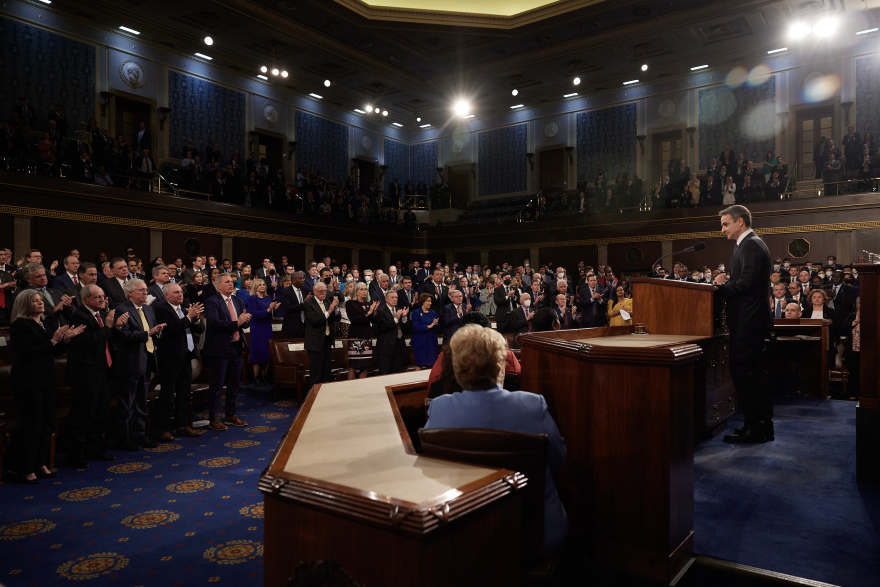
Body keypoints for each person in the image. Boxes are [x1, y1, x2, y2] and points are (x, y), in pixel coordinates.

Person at [425, 324, 568, 556]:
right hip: (534, 531)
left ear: (458, 368)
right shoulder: (533, 405)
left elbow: (434, 474)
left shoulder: (439, 409)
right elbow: (559, 461)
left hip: (465, 534)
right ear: (500, 365)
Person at [9, 290, 84, 482]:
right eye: (35, 301)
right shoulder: (20, 325)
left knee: (47, 422)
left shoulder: (44, 323)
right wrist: (54, 340)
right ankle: (26, 469)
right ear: (25, 305)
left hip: (47, 379)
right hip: (28, 381)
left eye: (41, 300)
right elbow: (27, 353)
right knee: (32, 425)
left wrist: (66, 339)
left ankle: (41, 463)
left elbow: (53, 351)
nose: (41, 303)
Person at [714, 205, 774, 443]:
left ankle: (755, 426)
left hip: (749, 320)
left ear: (740, 222)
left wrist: (722, 286)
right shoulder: (749, 244)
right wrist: (729, 282)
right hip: (751, 318)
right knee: (755, 371)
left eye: (725, 224)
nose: (722, 229)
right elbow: (748, 280)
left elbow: (748, 283)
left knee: (743, 370)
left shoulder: (750, 244)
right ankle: (760, 426)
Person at [63, 284, 126, 468]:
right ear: (86, 300)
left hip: (101, 372)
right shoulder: (79, 315)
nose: (102, 300)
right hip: (85, 375)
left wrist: (115, 328)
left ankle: (95, 450)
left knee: (100, 415)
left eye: (103, 296)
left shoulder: (99, 315)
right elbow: (88, 341)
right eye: (97, 297)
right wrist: (108, 326)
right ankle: (75, 455)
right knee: (82, 416)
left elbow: (105, 338)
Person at [113, 278, 165, 450]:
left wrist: (156, 333)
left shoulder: (149, 309)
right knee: (127, 403)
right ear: (130, 293)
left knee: (142, 401)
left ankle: (140, 434)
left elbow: (151, 332)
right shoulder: (122, 309)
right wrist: (147, 333)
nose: (146, 293)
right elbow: (123, 336)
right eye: (141, 290)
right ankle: (124, 438)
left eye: (146, 290)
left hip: (147, 360)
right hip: (130, 362)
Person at [152, 284, 205, 441]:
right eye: (176, 292)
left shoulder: (183, 308)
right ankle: (163, 429)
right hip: (170, 358)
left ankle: (182, 426)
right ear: (166, 295)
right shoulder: (161, 308)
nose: (180, 294)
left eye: (181, 292)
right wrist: (189, 317)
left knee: (184, 394)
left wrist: (195, 319)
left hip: (186, 356)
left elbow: (200, 329)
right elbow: (173, 329)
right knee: (167, 395)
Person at [203, 274, 251, 431]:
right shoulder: (212, 301)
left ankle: (231, 414)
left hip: (236, 347)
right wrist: (237, 322)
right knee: (217, 385)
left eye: (232, 282)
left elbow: (242, 324)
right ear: (218, 286)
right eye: (227, 282)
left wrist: (245, 320)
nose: (231, 284)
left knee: (234, 384)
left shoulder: (238, 300)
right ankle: (213, 418)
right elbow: (214, 323)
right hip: (220, 348)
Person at [304, 281, 341, 386]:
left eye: (325, 291)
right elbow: (314, 321)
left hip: (327, 340)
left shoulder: (327, 302)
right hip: (315, 342)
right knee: (316, 372)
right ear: (315, 292)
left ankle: (325, 395)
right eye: (321, 292)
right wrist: (329, 311)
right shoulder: (308, 304)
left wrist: (336, 307)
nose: (324, 293)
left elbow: (337, 317)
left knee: (326, 371)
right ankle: (314, 395)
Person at [246, 277, 280, 386]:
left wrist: (274, 310)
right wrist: (268, 310)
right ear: (255, 286)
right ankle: (256, 377)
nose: (262, 286)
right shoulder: (252, 298)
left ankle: (263, 376)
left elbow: (269, 315)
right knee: (258, 353)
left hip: (267, 327)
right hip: (257, 328)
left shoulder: (268, 298)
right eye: (260, 284)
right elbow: (254, 314)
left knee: (267, 353)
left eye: (264, 284)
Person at [345, 282, 379, 379]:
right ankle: (351, 389)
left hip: (367, 337)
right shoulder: (350, 303)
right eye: (362, 289)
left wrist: (375, 311)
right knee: (353, 367)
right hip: (356, 337)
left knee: (365, 367)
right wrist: (369, 313)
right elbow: (355, 320)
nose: (364, 291)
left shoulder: (369, 304)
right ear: (356, 291)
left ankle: (361, 389)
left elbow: (375, 321)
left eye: (365, 289)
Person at [374, 290, 409, 375]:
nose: (395, 299)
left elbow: (406, 329)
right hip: (386, 348)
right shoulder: (381, 310)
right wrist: (396, 319)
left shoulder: (399, 309)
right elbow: (383, 327)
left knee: (398, 374)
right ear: (386, 299)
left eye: (396, 297)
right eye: (392, 297)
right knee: (385, 374)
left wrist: (404, 318)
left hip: (399, 346)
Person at [411, 293, 439, 368]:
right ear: (422, 301)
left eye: (430, 301)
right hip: (420, 344)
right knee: (419, 365)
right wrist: (428, 326)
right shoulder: (416, 312)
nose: (430, 303)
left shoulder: (433, 313)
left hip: (431, 343)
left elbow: (436, 328)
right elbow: (415, 327)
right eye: (428, 301)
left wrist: (436, 324)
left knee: (431, 366)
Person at [278, 271, 309, 338]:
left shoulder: (305, 290)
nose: (303, 280)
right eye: (301, 279)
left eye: (303, 278)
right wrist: (304, 304)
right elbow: (287, 308)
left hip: (305, 326)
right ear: (294, 281)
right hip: (292, 327)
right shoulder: (286, 291)